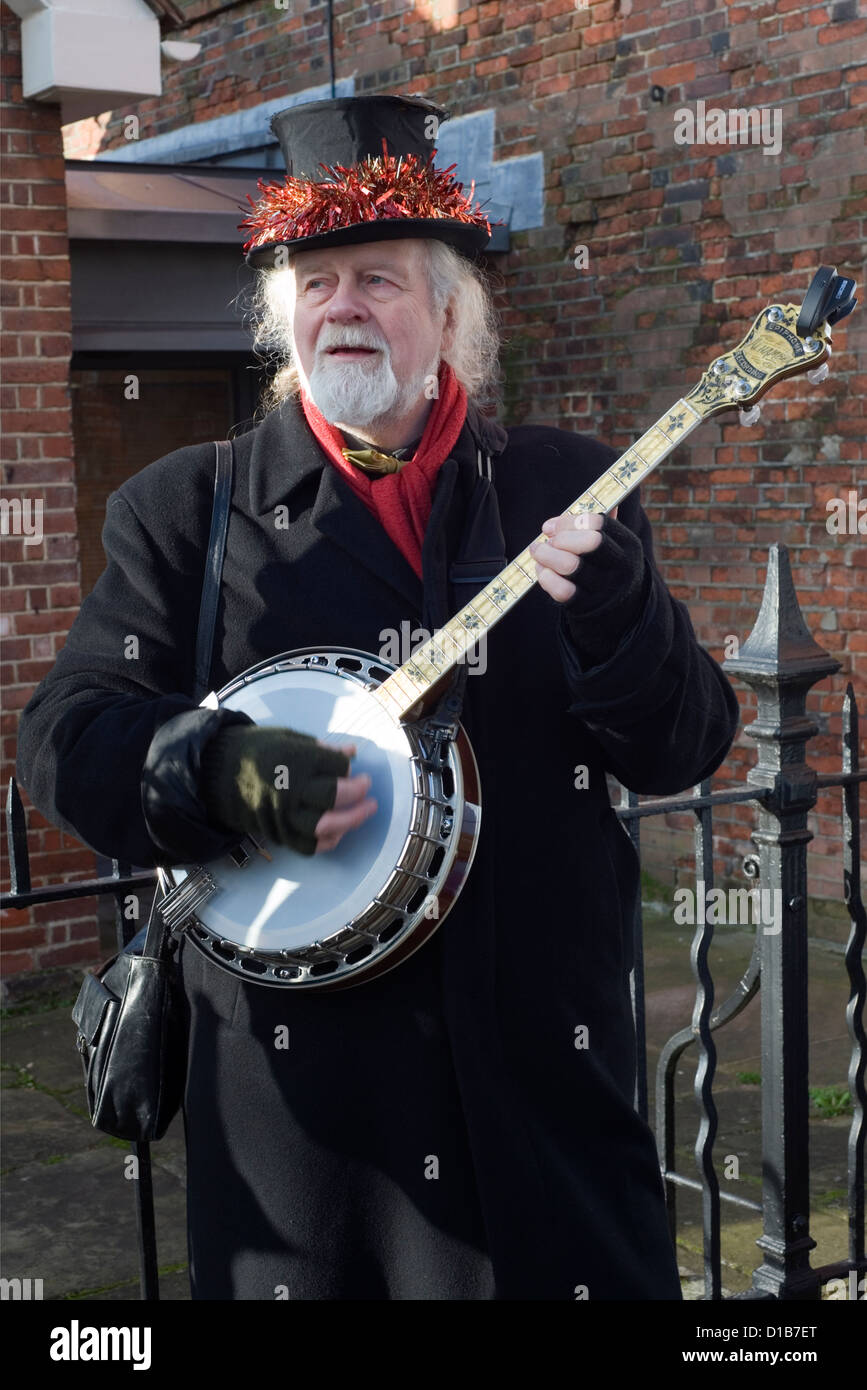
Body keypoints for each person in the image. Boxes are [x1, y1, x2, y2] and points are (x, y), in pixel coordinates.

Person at [16, 94, 740, 1300]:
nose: (344, 307)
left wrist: (619, 607)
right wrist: (233, 773)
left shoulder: (567, 487)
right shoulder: (185, 510)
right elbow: (65, 738)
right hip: (312, 1154)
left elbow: (685, 745)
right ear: (283, 314)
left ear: (450, 313)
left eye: (381, 280)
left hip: (547, 1121)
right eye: (318, 282)